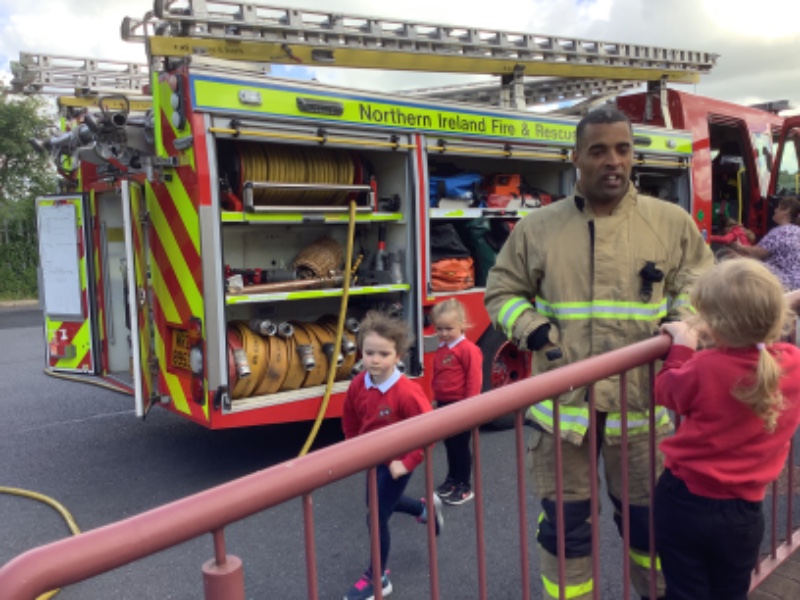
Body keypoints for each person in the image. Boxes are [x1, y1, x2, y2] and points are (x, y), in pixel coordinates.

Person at [484, 107, 714, 600]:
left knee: (650, 532)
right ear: (576, 158)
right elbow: (501, 292)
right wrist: (533, 331)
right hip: (562, 414)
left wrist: (682, 319)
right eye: (599, 150)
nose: (613, 161)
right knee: (565, 534)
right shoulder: (538, 228)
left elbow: (700, 283)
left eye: (623, 149)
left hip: (641, 412)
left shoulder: (669, 222)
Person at [655, 259, 800, 600]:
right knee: (731, 591)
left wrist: (682, 345)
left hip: (685, 500)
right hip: (744, 511)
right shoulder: (792, 363)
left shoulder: (705, 366)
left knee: (685, 590)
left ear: (714, 326)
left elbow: (666, 391)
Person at [341, 311, 443, 600]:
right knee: (381, 505)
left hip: (397, 463)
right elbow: (350, 418)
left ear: (398, 356)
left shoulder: (407, 393)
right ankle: (423, 510)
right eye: (369, 352)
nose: (374, 360)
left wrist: (407, 463)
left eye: (383, 354)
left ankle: (378, 577)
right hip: (372, 459)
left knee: (376, 515)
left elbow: (430, 432)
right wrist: (353, 447)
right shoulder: (359, 383)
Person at [430, 298, 484, 506]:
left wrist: (470, 406)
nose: (443, 333)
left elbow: (474, 379)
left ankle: (464, 486)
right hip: (445, 405)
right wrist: (436, 398)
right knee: (450, 445)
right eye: (439, 329)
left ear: (462, 324)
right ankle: (452, 479)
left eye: (449, 328)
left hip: (461, 405)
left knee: (460, 447)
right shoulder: (443, 348)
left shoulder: (468, 349)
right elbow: (438, 375)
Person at [729, 196, 800, 291]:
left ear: (786, 211)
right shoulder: (797, 230)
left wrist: (739, 247)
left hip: (783, 283)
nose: (775, 210)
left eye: (778, 208)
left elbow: (758, 253)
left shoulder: (782, 231)